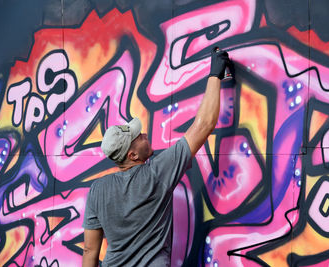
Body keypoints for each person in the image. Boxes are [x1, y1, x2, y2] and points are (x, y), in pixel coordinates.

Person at [82, 47, 231, 267]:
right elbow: (204, 126)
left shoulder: (97, 190)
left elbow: (89, 250)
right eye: (138, 137)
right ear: (132, 155)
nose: (143, 134)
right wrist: (214, 74)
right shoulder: (156, 173)